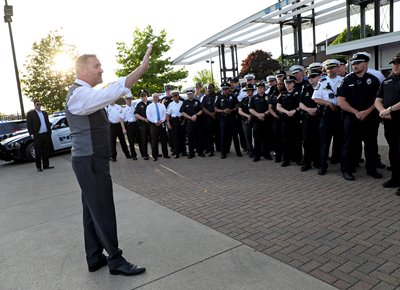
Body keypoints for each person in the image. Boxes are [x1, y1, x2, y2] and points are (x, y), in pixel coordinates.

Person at [65, 44, 152, 276]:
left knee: (91, 210)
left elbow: (106, 93)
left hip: (89, 160)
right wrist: (140, 69)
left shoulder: (85, 94)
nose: (101, 70)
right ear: (83, 71)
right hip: (91, 161)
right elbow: (112, 91)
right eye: (97, 66)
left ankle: (94, 257)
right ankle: (115, 259)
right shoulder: (80, 94)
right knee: (102, 208)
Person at [337, 52, 382, 181]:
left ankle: (372, 169)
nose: (354, 66)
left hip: (370, 117)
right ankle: (347, 170)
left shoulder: (373, 80)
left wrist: (367, 111)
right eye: (353, 64)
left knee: (371, 144)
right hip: (351, 117)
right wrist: (356, 112)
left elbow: (378, 99)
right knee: (349, 144)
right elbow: (341, 101)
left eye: (357, 63)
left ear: (366, 64)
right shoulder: (346, 80)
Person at [312, 59, 343, 175]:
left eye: (333, 67)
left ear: (337, 68)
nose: (330, 70)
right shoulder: (322, 82)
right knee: (324, 142)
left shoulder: (343, 80)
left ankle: (343, 166)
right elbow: (316, 98)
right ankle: (323, 166)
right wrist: (329, 103)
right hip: (327, 114)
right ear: (325, 69)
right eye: (328, 68)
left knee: (341, 141)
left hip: (340, 113)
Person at [375, 52, 400, 195]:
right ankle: (395, 178)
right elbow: (378, 100)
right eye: (394, 63)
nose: (395, 66)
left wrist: (389, 109)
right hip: (390, 122)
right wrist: (383, 111)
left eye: (398, 63)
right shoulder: (386, 81)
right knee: (393, 151)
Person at [276, 75, 302, 167]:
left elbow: (301, 105)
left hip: (296, 119)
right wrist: (287, 112)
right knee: (285, 140)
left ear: (293, 83)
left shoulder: (299, 93)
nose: (287, 84)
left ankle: (298, 159)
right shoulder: (282, 94)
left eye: (289, 83)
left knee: (297, 139)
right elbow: (278, 107)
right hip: (285, 120)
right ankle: (286, 159)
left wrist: (294, 111)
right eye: (286, 83)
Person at [299, 69, 321, 171]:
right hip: (307, 118)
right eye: (309, 77)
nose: (310, 79)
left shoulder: (323, 88)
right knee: (306, 141)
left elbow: (328, 101)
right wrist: (308, 109)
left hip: (319, 118)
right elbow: (300, 103)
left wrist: (316, 109)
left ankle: (317, 162)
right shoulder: (306, 88)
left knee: (317, 141)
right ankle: (307, 163)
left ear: (319, 77)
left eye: (313, 77)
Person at [26, 99, 54, 172]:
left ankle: (46, 165)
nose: (39, 106)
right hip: (37, 135)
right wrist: (31, 134)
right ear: (34, 105)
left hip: (46, 134)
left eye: (40, 104)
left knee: (45, 151)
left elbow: (47, 122)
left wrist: (49, 131)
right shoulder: (30, 114)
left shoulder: (44, 113)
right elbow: (29, 125)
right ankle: (38, 167)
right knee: (38, 152)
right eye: (37, 104)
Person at [215, 82, 240, 159]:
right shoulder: (219, 97)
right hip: (223, 119)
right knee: (223, 136)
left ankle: (238, 152)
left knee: (235, 136)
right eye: (224, 89)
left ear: (229, 89)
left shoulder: (233, 96)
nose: (225, 90)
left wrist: (232, 110)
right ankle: (223, 153)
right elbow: (215, 109)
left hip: (232, 119)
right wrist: (223, 111)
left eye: (226, 89)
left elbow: (238, 106)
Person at [249, 82, 271, 162]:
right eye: (258, 88)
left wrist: (264, 114)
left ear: (264, 88)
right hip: (256, 121)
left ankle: (266, 154)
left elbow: (271, 108)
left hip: (266, 120)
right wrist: (258, 115)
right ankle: (256, 156)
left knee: (266, 139)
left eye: (261, 87)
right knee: (257, 139)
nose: (260, 89)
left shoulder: (268, 97)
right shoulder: (254, 98)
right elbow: (250, 109)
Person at [180, 89, 204, 158]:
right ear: (187, 95)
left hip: (197, 123)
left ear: (193, 94)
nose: (189, 95)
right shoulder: (185, 102)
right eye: (188, 94)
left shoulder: (197, 101)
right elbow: (182, 112)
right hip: (189, 123)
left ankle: (200, 152)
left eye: (191, 94)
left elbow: (201, 110)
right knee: (190, 139)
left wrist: (196, 115)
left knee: (199, 138)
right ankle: (191, 154)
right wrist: (190, 117)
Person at [146, 93, 170, 161]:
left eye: (156, 97)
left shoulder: (162, 105)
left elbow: (165, 114)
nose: (155, 98)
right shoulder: (149, 106)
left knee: (164, 140)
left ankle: (165, 154)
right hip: (153, 124)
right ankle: (155, 156)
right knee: (154, 140)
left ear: (158, 98)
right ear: (152, 98)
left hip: (162, 124)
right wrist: (155, 121)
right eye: (154, 97)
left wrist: (161, 121)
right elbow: (148, 116)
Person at [166, 90, 185, 158]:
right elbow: (167, 114)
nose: (174, 97)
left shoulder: (182, 103)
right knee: (175, 137)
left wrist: (184, 120)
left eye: (176, 96)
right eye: (173, 96)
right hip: (174, 121)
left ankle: (184, 152)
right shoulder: (171, 104)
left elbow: (185, 112)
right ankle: (176, 153)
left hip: (181, 120)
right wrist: (168, 123)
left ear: (178, 96)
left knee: (182, 137)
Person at [238, 83, 255, 158]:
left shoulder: (256, 98)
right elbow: (239, 111)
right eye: (247, 90)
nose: (248, 92)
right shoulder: (244, 100)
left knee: (256, 135)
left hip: (255, 120)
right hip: (245, 120)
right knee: (247, 136)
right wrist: (247, 115)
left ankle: (258, 150)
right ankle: (250, 151)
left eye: (249, 90)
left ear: (252, 91)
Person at [120, 95, 138, 160]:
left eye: (130, 99)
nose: (129, 100)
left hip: (136, 124)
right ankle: (134, 155)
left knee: (139, 140)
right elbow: (121, 119)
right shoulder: (124, 109)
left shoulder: (134, 107)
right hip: (129, 126)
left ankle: (143, 154)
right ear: (125, 100)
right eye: (127, 99)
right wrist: (123, 128)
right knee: (131, 141)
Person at [201, 83, 217, 157]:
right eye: (208, 88)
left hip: (217, 118)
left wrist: (215, 112)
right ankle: (211, 150)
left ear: (213, 88)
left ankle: (219, 148)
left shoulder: (217, 96)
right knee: (209, 135)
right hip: (208, 119)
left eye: (211, 88)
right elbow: (203, 108)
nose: (209, 89)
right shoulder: (205, 97)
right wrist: (211, 114)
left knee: (218, 134)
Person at [135, 89, 151, 160]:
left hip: (151, 124)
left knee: (153, 139)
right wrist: (144, 119)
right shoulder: (139, 105)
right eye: (142, 96)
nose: (143, 97)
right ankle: (145, 154)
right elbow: (136, 114)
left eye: (144, 95)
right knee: (144, 140)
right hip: (143, 124)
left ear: (147, 96)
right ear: (140, 97)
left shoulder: (151, 103)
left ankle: (155, 153)